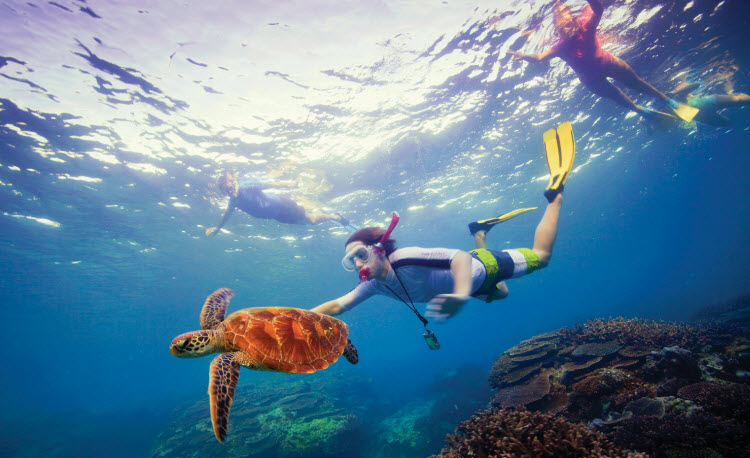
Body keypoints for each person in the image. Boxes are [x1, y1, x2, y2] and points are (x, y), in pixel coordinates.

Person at [311, 121, 575, 326]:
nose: (357, 263)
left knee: (542, 258)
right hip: (473, 286)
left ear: (378, 248)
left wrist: (460, 295)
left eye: (360, 254)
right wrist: (291, 317)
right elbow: (336, 306)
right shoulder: (373, 285)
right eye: (351, 261)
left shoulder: (404, 258)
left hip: (483, 267)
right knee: (503, 294)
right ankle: (479, 231)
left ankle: (555, 196)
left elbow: (460, 258)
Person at [507, 0, 697, 128]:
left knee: (637, 83)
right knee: (619, 97)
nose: (564, 19)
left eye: (566, 14)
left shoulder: (586, 27)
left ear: (573, 18)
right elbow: (540, 57)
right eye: (560, 18)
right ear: (557, 26)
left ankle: (667, 100)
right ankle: (643, 112)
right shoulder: (560, 46)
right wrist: (523, 55)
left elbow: (598, 9)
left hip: (608, 63)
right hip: (592, 81)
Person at [205, 171, 352, 236]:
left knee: (311, 220)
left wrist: (290, 185)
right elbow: (227, 214)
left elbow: (269, 183)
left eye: (231, 187)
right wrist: (217, 228)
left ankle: (335, 216)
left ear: (234, 182)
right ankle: (329, 216)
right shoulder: (233, 201)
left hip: (283, 206)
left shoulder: (246, 186)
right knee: (308, 222)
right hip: (277, 216)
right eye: (227, 191)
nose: (231, 191)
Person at [684, 93, 750, 128]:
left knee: (740, 99)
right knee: (740, 99)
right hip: (707, 104)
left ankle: (732, 93)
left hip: (705, 107)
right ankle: (732, 93)